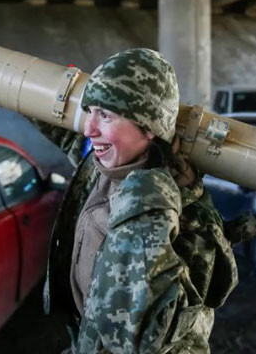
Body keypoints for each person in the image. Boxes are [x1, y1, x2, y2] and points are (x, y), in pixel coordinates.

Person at [34, 48, 239, 353]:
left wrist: (147, 197)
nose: (89, 129)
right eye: (89, 111)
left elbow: (137, 339)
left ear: (149, 128)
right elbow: (64, 129)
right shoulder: (101, 165)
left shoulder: (184, 218)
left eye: (105, 115)